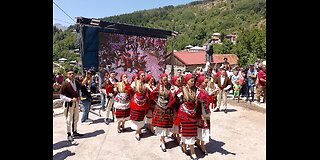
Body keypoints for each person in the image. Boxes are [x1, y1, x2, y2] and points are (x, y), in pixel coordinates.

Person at [175, 74, 199, 160]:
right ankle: (192, 151)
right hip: (184, 112)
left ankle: (184, 146)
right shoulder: (181, 90)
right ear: (187, 81)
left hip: (193, 112)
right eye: (191, 81)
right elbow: (177, 99)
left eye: (193, 81)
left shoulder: (195, 89)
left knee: (192, 131)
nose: (193, 82)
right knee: (186, 131)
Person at [151, 73, 173, 152]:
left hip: (167, 108)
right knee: (161, 126)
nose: (165, 81)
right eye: (164, 80)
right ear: (161, 80)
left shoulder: (170, 87)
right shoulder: (158, 87)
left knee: (166, 126)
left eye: (166, 80)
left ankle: (163, 139)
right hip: (160, 108)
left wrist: (170, 104)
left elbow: (172, 97)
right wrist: (156, 100)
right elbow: (152, 94)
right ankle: (163, 141)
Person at [59, 69, 83, 141]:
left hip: (76, 103)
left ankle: (75, 131)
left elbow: (79, 90)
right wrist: (70, 99)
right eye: (70, 73)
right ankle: (69, 134)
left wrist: (79, 96)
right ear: (67, 75)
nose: (72, 75)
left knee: (76, 117)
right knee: (69, 119)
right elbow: (61, 96)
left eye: (72, 73)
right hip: (69, 104)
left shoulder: (76, 82)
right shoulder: (65, 84)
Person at [130, 71, 149, 141]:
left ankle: (139, 129)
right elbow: (130, 91)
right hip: (136, 103)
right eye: (142, 75)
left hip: (143, 103)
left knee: (141, 117)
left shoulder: (145, 84)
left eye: (144, 75)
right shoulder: (135, 83)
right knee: (136, 117)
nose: (143, 77)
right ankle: (137, 132)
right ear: (139, 76)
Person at [195, 76, 211, 156]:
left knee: (204, 128)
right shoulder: (198, 91)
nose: (206, 84)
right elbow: (198, 101)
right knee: (202, 129)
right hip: (201, 113)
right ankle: (202, 145)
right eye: (205, 82)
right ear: (201, 82)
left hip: (206, 112)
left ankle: (200, 142)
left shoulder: (204, 90)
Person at [169, 75, 183, 145]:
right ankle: (176, 135)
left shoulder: (180, 88)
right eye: (178, 80)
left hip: (179, 106)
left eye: (180, 80)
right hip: (174, 107)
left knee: (178, 121)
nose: (180, 82)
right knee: (176, 121)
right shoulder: (172, 89)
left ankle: (175, 134)